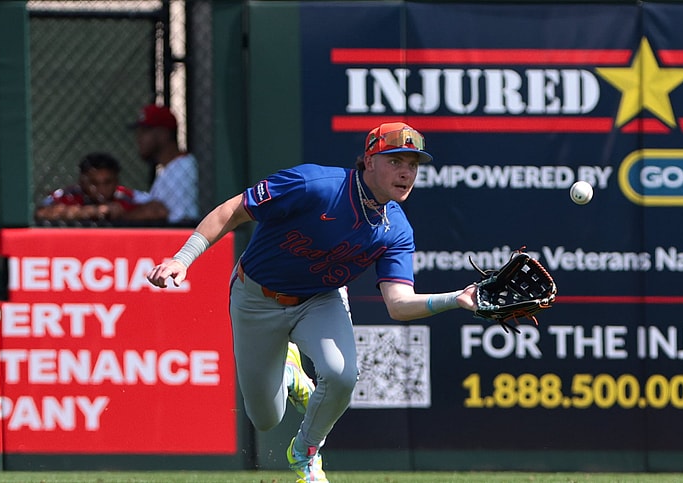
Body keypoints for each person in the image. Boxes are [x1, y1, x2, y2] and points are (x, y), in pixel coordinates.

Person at [146, 121, 478, 482]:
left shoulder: (396, 228)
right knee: (265, 417)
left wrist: (455, 299)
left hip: (320, 298)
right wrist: (182, 258)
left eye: (413, 164)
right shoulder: (314, 185)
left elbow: (398, 303)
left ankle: (305, 452)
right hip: (257, 297)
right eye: (395, 160)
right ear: (369, 161)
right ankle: (290, 376)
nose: (406, 172)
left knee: (342, 374)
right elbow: (233, 210)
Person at [126, 103, 199, 225]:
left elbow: (184, 221)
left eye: (144, 131)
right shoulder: (170, 169)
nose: (139, 138)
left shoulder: (183, 169)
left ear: (163, 134)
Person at [35, 152, 143, 225]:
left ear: (116, 182)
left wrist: (124, 214)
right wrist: (93, 211)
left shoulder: (128, 196)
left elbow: (157, 209)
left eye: (107, 182)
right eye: (94, 183)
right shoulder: (69, 195)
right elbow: (41, 213)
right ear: (82, 182)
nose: (101, 189)